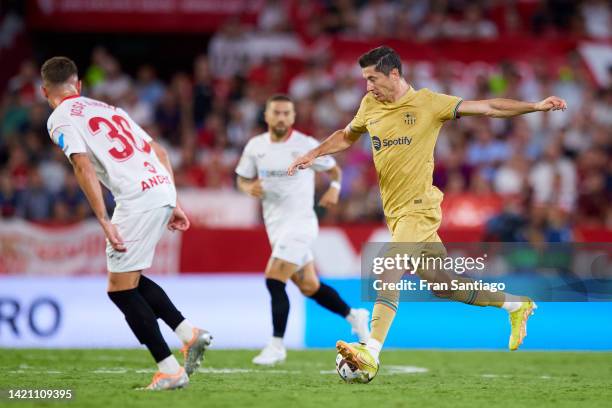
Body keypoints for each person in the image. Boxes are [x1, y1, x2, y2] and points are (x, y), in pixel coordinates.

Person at [288, 46, 567, 380]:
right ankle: (517, 305)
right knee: (444, 285)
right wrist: (314, 153)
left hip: (419, 210)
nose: (367, 87)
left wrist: (535, 106)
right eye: (364, 80)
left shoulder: (429, 103)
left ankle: (370, 352)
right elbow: (347, 136)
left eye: (372, 78)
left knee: (389, 269)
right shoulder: (370, 105)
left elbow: (489, 107)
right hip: (396, 214)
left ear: (394, 74)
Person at [41, 56, 212, 390]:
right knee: (129, 278)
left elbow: (82, 166)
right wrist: (173, 201)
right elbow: (160, 153)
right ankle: (188, 333)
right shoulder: (110, 109)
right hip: (159, 189)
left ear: (46, 91)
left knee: (120, 290)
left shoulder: (58, 118)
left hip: (135, 199)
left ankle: (170, 370)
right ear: (79, 85)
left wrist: (103, 220)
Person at [236, 94, 370, 365]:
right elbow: (241, 178)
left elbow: (334, 171)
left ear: (294, 117)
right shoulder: (255, 147)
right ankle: (354, 316)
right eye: (277, 112)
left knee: (274, 279)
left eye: (287, 113)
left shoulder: (306, 145)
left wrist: (333, 189)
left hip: (301, 224)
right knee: (309, 286)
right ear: (267, 116)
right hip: (275, 226)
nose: (282, 117)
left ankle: (276, 346)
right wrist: (249, 187)